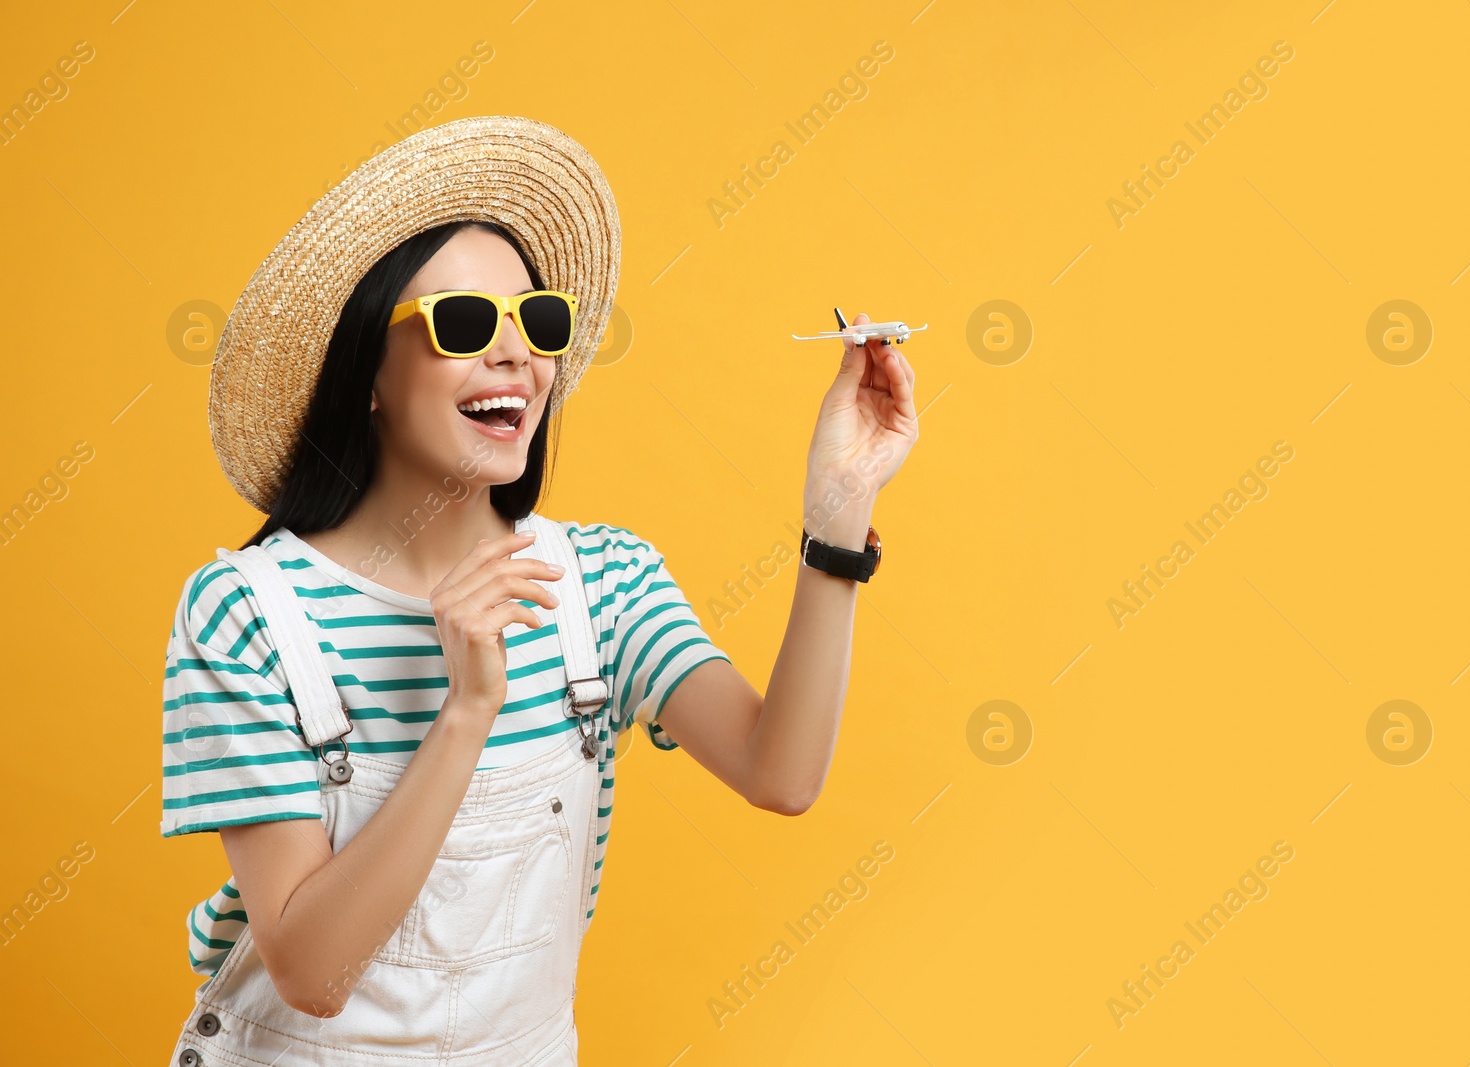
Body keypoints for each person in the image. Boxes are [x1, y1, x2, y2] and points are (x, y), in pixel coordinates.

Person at [159, 115, 918, 1066]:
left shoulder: (599, 582)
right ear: (367, 374)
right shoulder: (246, 614)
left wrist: (839, 510)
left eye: (538, 320)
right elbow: (311, 974)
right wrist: (468, 707)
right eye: (466, 323)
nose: (517, 353)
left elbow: (782, 774)